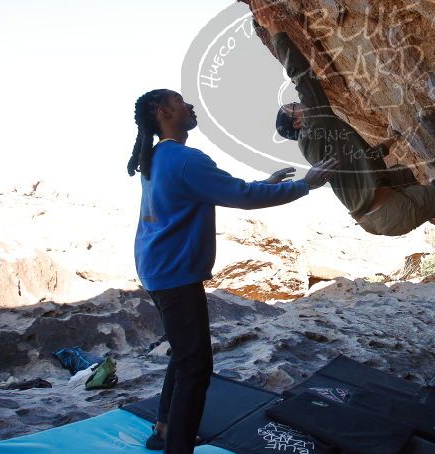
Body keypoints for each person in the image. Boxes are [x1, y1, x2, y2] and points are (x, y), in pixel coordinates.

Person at [127, 88, 338, 453]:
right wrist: (306, 184)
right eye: (180, 102)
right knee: (196, 368)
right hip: (175, 273)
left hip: (157, 268)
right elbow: (241, 197)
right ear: (163, 112)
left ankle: (164, 428)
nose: (189, 106)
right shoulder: (184, 159)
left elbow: (228, 189)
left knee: (183, 352)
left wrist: (268, 184)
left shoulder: (158, 156)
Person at [251, 0, 435, 248]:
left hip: (375, 216)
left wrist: (391, 140)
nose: (298, 103)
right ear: (296, 122)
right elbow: (303, 79)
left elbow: (364, 159)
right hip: (387, 212)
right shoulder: (314, 128)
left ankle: (425, 202)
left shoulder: (319, 141)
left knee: (403, 172)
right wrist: (274, 29)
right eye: (293, 106)